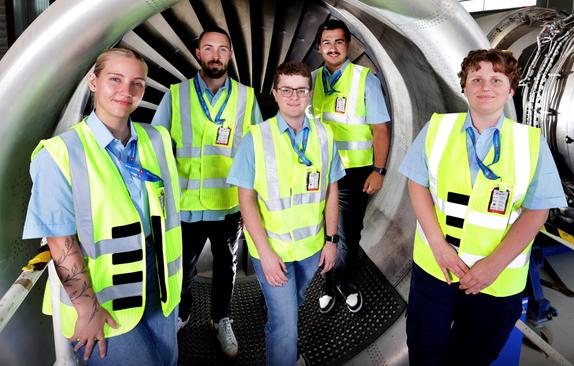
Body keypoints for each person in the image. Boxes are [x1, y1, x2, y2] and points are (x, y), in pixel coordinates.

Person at [399, 48, 567, 365]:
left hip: (496, 279)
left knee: (474, 356)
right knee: (424, 350)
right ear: (464, 87)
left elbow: (537, 211)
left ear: (510, 89)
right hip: (439, 269)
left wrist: (494, 265)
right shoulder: (437, 129)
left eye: (495, 79)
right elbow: (416, 183)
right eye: (476, 79)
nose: (485, 87)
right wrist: (438, 245)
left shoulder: (530, 143)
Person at [22, 48, 182, 365]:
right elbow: (60, 241)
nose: (127, 91)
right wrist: (87, 309)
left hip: (161, 283)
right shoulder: (59, 153)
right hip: (104, 294)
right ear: (93, 82)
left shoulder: (158, 139)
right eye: (115, 79)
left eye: (137, 83)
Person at [152, 27, 262, 357]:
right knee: (182, 268)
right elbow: (155, 146)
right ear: (198, 53)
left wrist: (250, 202)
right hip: (185, 205)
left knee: (226, 267)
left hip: (228, 204)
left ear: (230, 55)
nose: (216, 55)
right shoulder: (176, 95)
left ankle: (222, 319)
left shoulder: (247, 97)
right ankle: (182, 314)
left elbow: (258, 151)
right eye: (209, 48)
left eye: (223, 49)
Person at [227, 61, 345, 365]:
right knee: (285, 325)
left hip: (310, 248)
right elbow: (246, 200)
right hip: (272, 250)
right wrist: (265, 253)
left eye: (301, 90)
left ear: (310, 94)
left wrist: (332, 240)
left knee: (293, 305)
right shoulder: (256, 138)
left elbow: (332, 191)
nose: (294, 97)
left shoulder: (325, 136)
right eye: (287, 90)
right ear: (275, 94)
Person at [311, 19, 390, 314]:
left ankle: (344, 282)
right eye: (327, 42)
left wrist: (378, 170)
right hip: (318, 172)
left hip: (354, 172)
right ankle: (327, 282)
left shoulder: (364, 79)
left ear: (348, 46)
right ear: (319, 47)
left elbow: (380, 130)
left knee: (347, 234)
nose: (333, 48)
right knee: (323, 231)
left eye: (339, 42)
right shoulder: (312, 79)